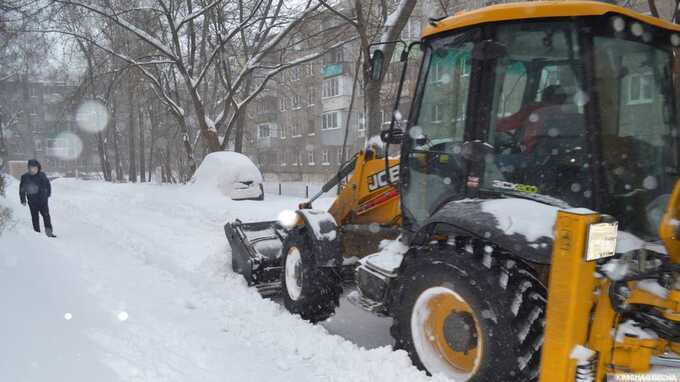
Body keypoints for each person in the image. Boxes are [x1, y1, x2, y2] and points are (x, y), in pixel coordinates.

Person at [496, 84, 568, 153]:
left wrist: (490, 123)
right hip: (559, 156)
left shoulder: (535, 109)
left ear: (545, 96)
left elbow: (506, 124)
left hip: (531, 156)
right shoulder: (569, 115)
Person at [19, 159, 56, 237]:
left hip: (43, 201)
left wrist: (48, 194)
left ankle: (49, 233)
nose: (32, 170)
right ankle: (37, 234)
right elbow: (22, 189)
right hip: (32, 202)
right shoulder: (25, 177)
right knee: (35, 218)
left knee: (46, 217)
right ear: (28, 168)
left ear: (38, 168)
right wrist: (23, 199)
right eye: (31, 168)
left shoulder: (42, 175)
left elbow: (48, 185)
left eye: (34, 168)